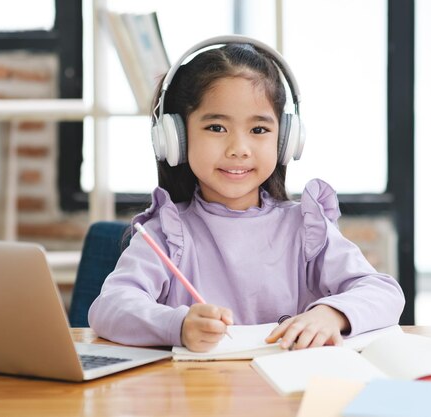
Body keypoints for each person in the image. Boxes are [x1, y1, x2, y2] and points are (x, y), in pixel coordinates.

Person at [88, 35, 405, 352]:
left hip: (287, 395)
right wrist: (176, 325)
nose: (238, 149)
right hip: (198, 395)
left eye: (259, 130)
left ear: (285, 140)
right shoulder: (165, 234)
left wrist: (332, 314)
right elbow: (109, 307)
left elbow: (384, 293)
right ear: (177, 138)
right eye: (216, 127)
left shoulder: (305, 229)